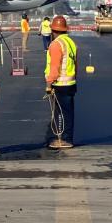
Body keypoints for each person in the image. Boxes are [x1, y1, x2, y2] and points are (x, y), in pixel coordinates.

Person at [44, 15, 77, 149]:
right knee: (68, 112)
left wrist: (48, 84)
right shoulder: (70, 43)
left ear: (53, 30)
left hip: (60, 84)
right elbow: (75, 63)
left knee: (60, 114)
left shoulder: (56, 44)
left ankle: (63, 139)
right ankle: (67, 137)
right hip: (71, 83)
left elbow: (54, 67)